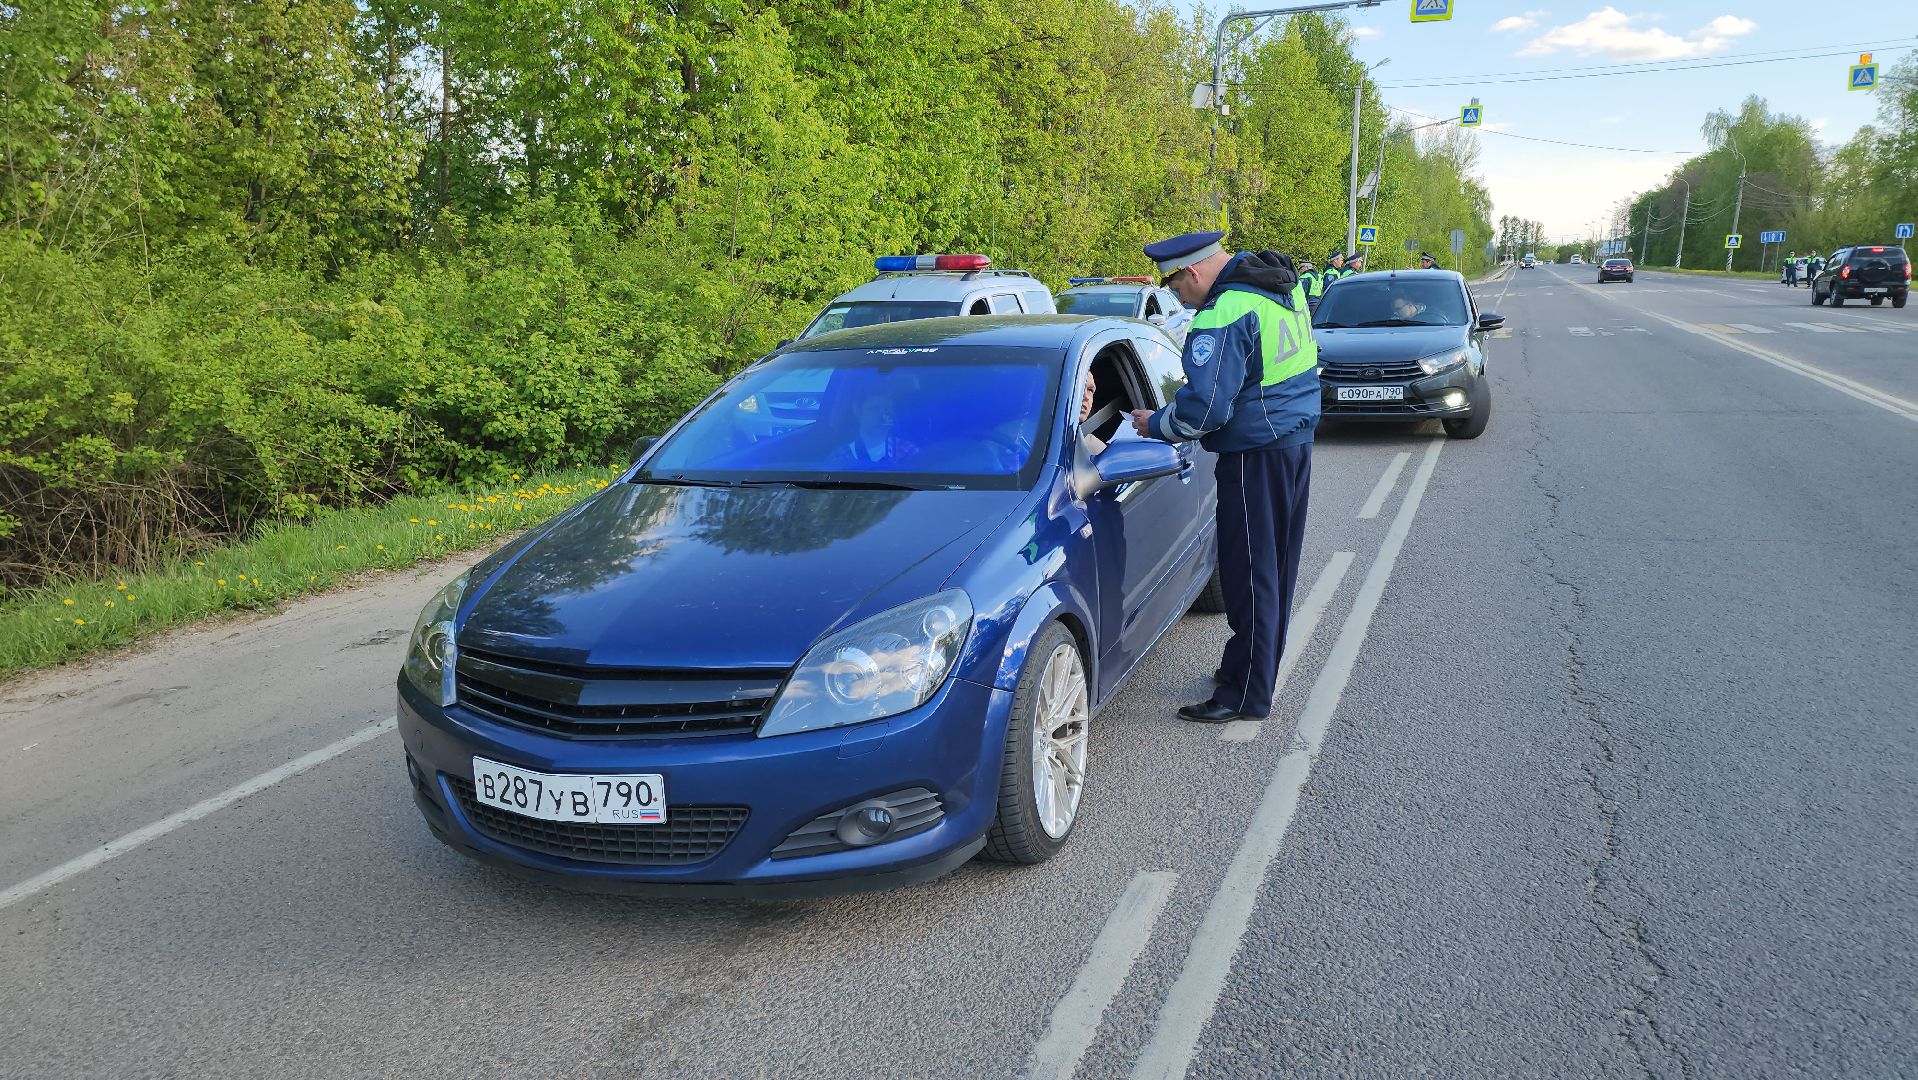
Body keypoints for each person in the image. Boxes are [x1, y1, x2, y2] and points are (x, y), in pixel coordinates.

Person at [1127, 231, 1319, 725]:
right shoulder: (1281, 284)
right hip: (1294, 443)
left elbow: (1206, 408)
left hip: (1255, 454)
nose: (1180, 299)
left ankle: (1244, 694)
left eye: (1177, 287)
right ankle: (1249, 667)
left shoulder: (1225, 310)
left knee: (1249, 575)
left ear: (1192, 271)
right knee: (1275, 569)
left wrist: (1156, 424)